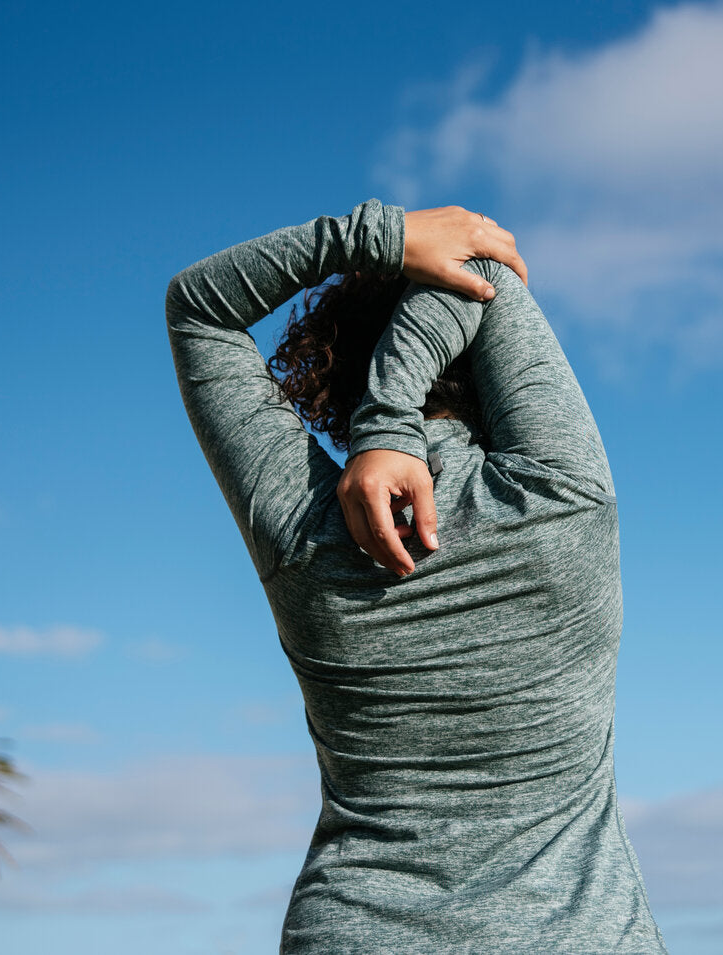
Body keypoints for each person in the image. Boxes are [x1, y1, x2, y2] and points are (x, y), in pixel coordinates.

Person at [166, 198, 669, 953]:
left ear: (331, 379)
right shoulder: (564, 496)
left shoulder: (302, 530)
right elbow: (485, 266)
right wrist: (395, 403)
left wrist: (384, 240)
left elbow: (198, 309)